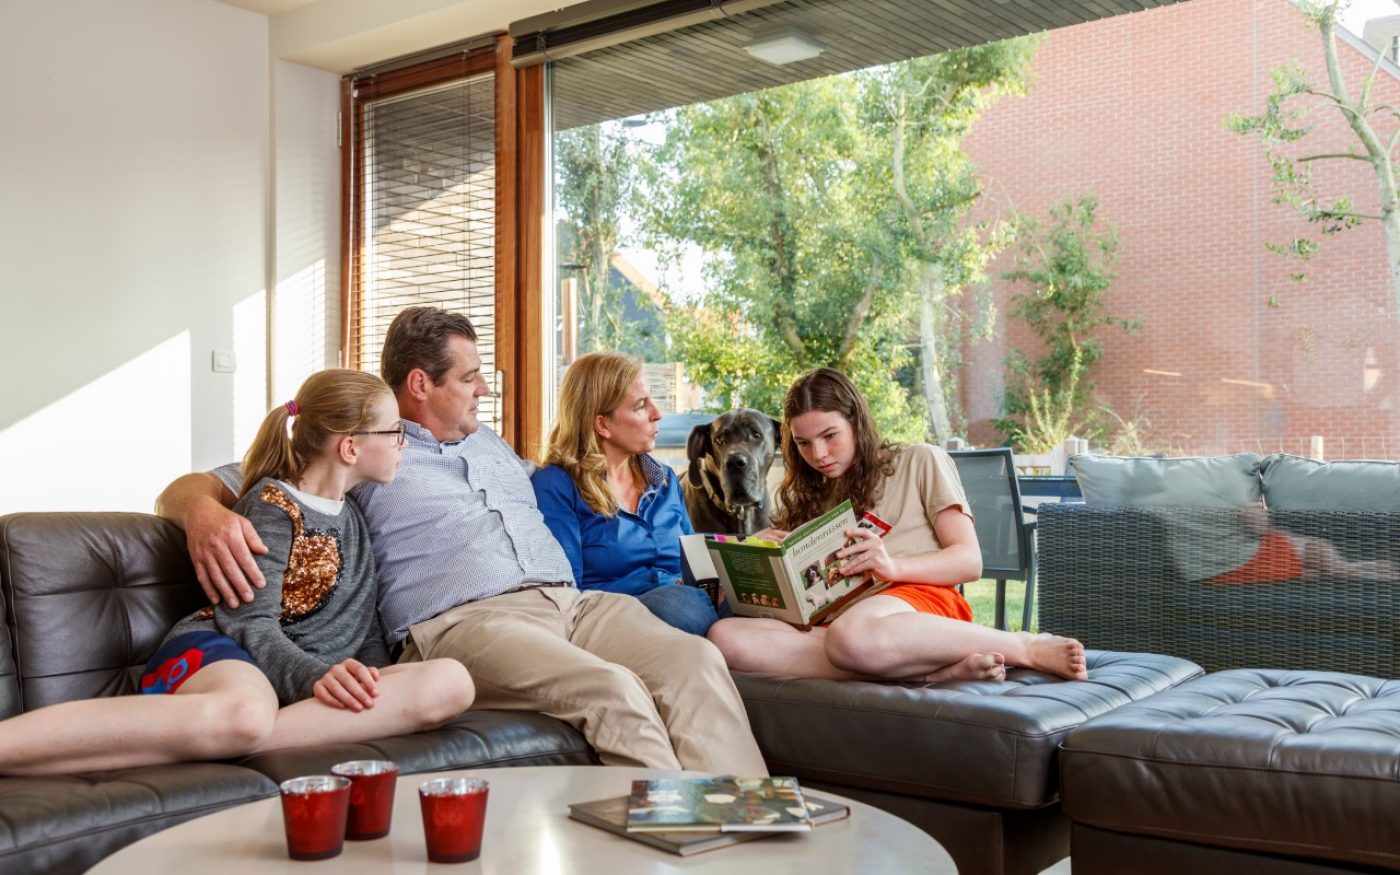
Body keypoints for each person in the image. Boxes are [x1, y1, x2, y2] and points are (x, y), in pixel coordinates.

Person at [157, 307, 766, 775]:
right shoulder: (365, 444)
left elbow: (567, 482)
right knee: (612, 690)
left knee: (695, 660)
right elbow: (206, 485)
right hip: (466, 625)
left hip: (571, 606)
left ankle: (750, 846)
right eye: (470, 377)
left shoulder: (491, 443)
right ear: (420, 384)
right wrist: (201, 514)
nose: (484, 389)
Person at [0, 370, 474, 776]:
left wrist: (372, 679)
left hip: (286, 686)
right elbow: (248, 623)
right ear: (350, 447)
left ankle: (196, 743)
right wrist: (318, 679)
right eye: (394, 432)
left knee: (450, 681)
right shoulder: (272, 506)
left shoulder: (351, 518)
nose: (403, 444)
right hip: (222, 649)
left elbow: (361, 624)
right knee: (246, 714)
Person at [707, 368, 1089, 683]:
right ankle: (930, 674)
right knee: (726, 637)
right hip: (836, 624)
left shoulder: (920, 461)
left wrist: (892, 566)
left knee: (851, 638)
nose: (818, 454)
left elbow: (969, 562)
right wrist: (756, 556)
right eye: (803, 444)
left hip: (914, 605)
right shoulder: (805, 492)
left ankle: (1022, 645)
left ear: (856, 422)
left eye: (829, 436)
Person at [532, 351, 720, 636]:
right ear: (603, 424)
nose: (658, 414)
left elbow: (694, 562)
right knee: (679, 606)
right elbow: (564, 590)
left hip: (689, 601)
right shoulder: (556, 486)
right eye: (641, 406)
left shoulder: (665, 480)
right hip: (616, 614)